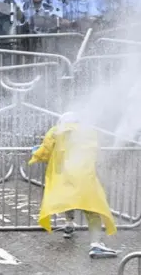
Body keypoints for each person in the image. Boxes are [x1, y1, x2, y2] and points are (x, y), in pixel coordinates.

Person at [27, 111, 119, 259]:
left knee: (69, 200)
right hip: (84, 176)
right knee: (92, 209)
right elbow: (96, 152)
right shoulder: (88, 131)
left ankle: (69, 225)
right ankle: (96, 244)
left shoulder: (55, 131)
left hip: (63, 175)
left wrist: (35, 154)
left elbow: (44, 152)